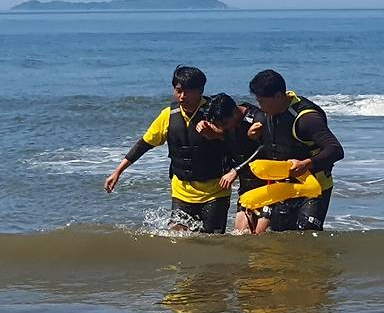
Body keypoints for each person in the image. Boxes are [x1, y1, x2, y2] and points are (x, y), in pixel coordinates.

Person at [104, 66, 230, 233]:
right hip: (182, 192)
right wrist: (118, 171)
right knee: (178, 239)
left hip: (215, 192)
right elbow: (144, 144)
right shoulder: (168, 115)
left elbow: (234, 139)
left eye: (188, 92)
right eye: (178, 91)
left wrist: (215, 133)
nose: (182, 96)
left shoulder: (214, 111)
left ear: (200, 90)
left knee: (212, 242)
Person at [247, 69, 344, 232]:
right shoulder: (267, 113)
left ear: (278, 96)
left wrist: (307, 163)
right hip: (282, 187)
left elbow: (335, 150)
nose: (259, 106)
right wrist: (252, 136)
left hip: (313, 188)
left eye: (262, 101)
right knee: (281, 238)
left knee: (306, 237)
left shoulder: (307, 119)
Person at [199, 93, 269, 234]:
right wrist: (213, 134)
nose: (223, 128)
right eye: (218, 125)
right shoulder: (225, 125)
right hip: (247, 187)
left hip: (269, 186)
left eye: (224, 124)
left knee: (261, 235)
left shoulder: (257, 118)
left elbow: (265, 148)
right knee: (241, 234)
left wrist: (235, 171)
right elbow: (230, 141)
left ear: (234, 112)